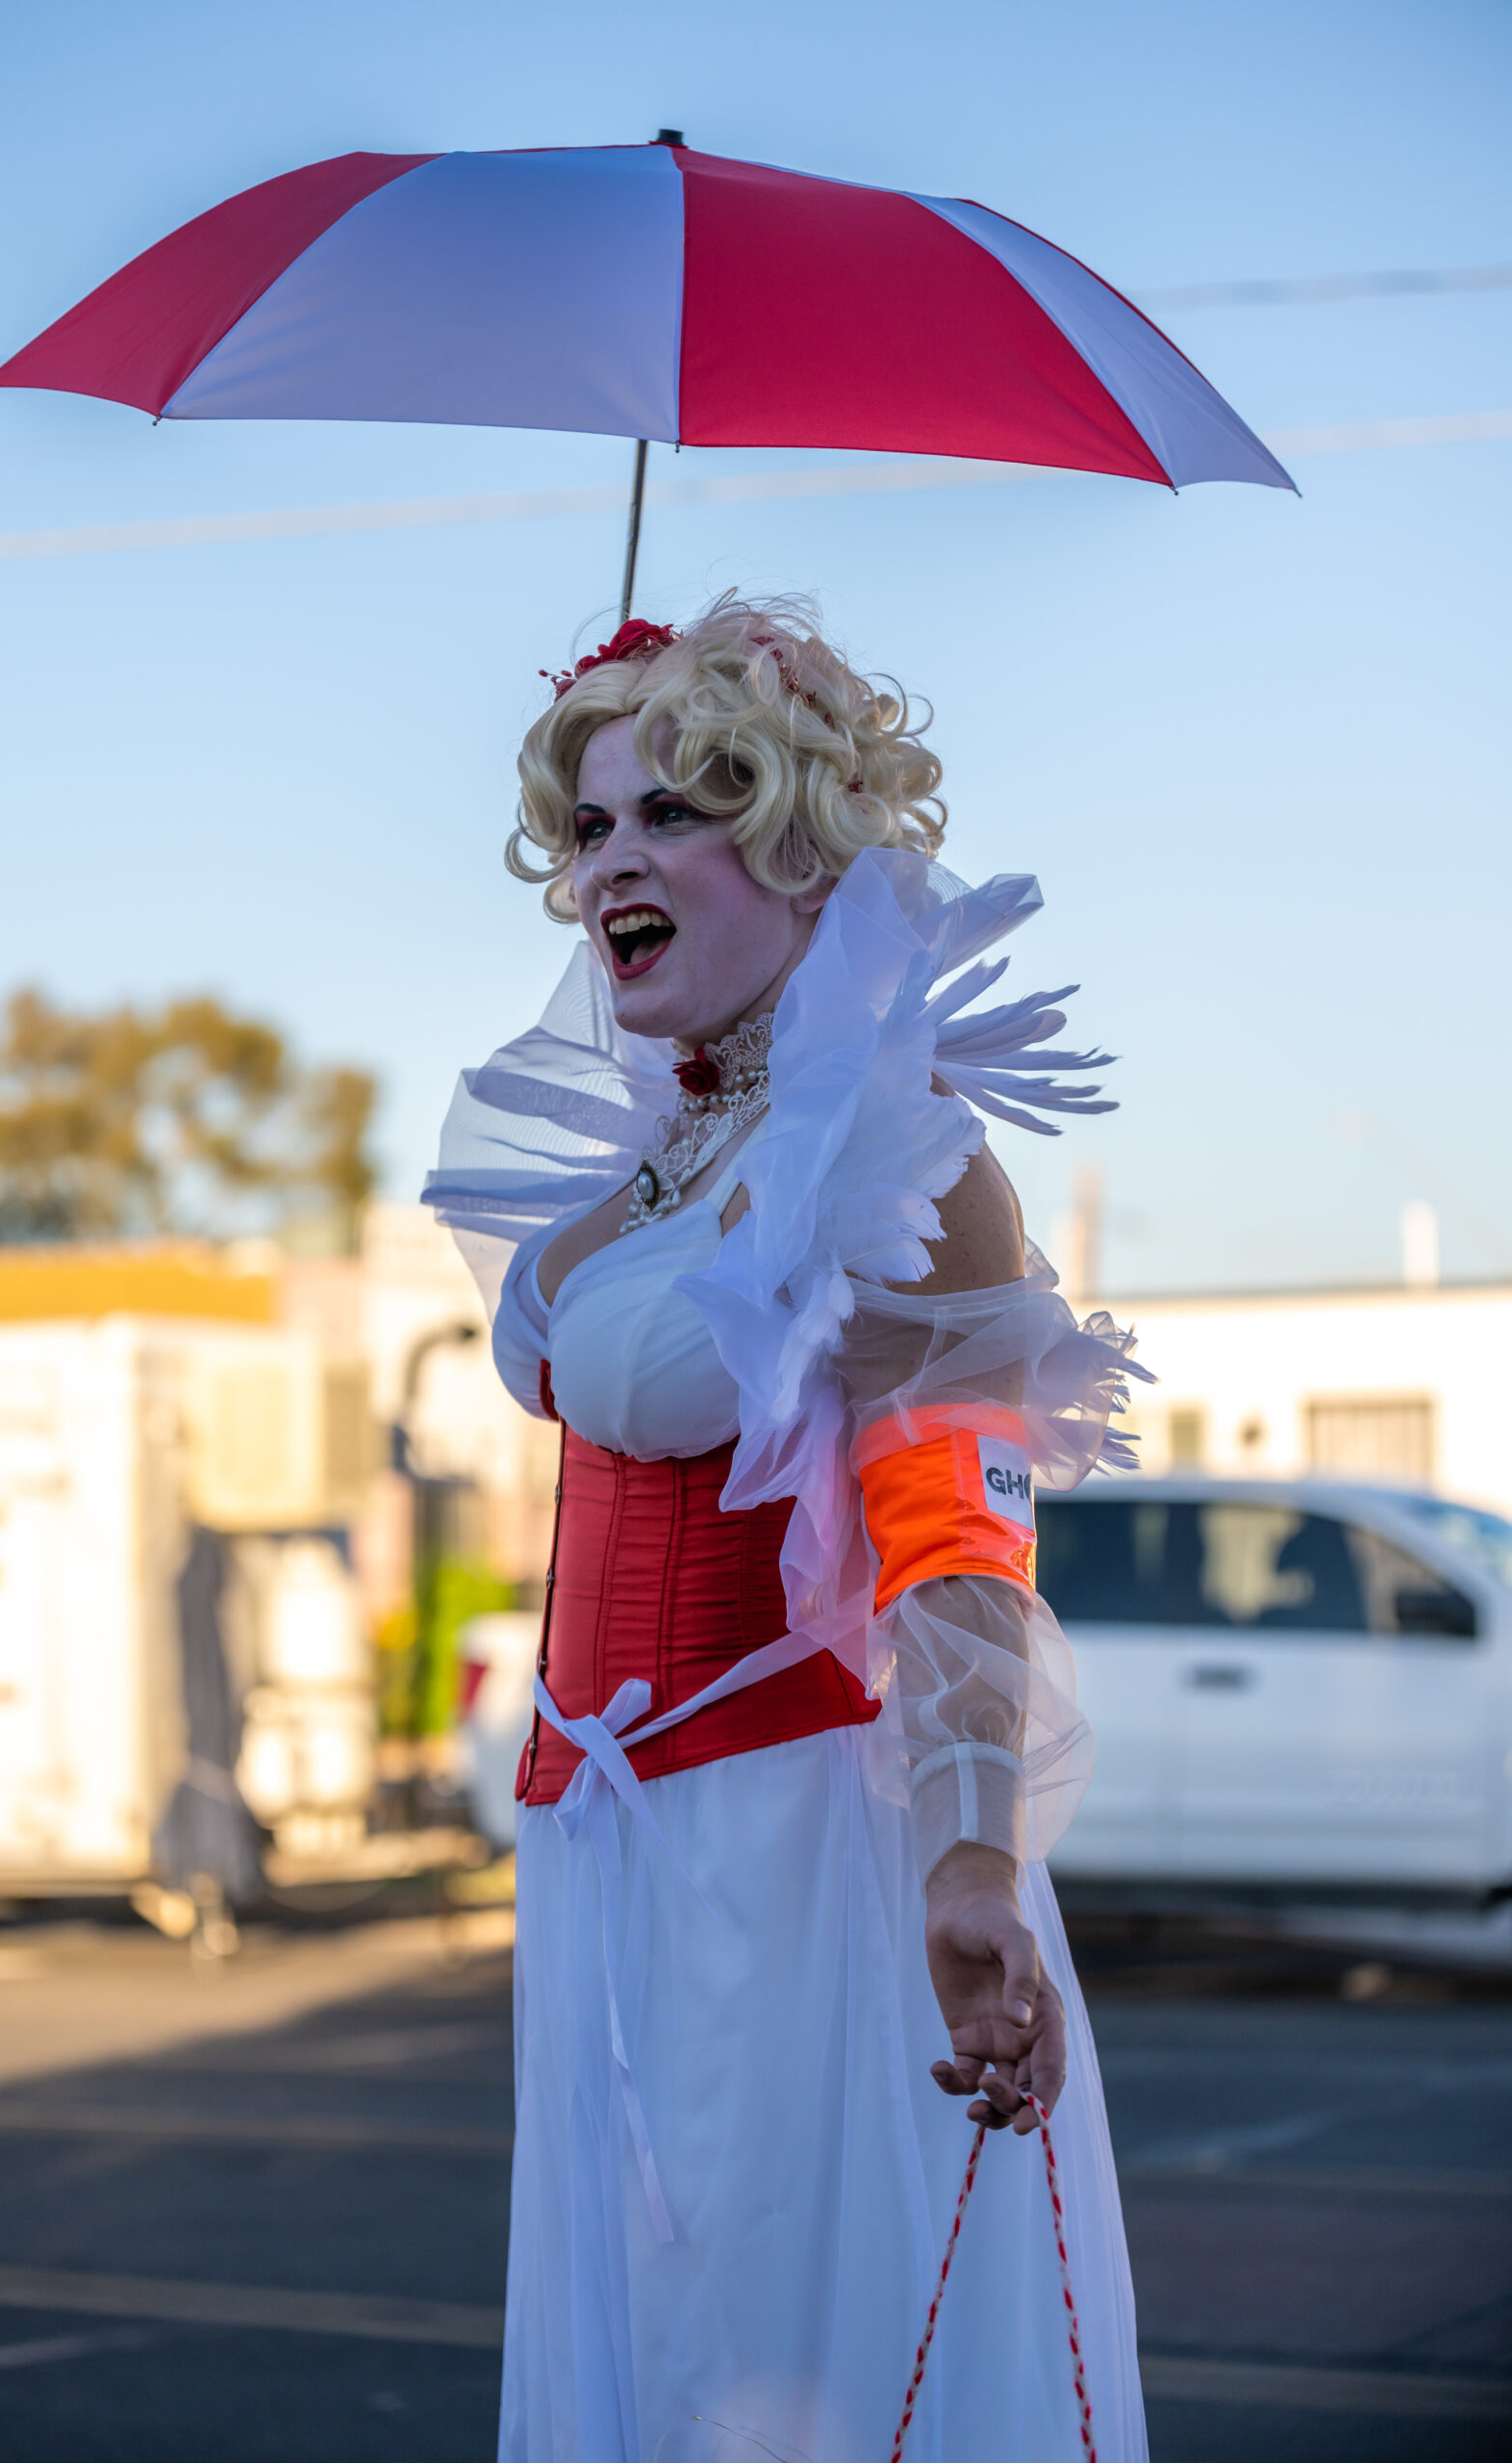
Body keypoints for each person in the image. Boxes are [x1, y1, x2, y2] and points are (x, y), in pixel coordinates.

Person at [426, 597, 1149, 2463]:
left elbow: (956, 1538)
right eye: (591, 824)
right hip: (602, 1846)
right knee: (640, 2354)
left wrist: (973, 1861)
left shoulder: (894, 1154)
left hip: (787, 1844)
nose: (614, 861)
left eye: (675, 811)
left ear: (806, 844)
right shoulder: (641, 1163)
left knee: (764, 2366)